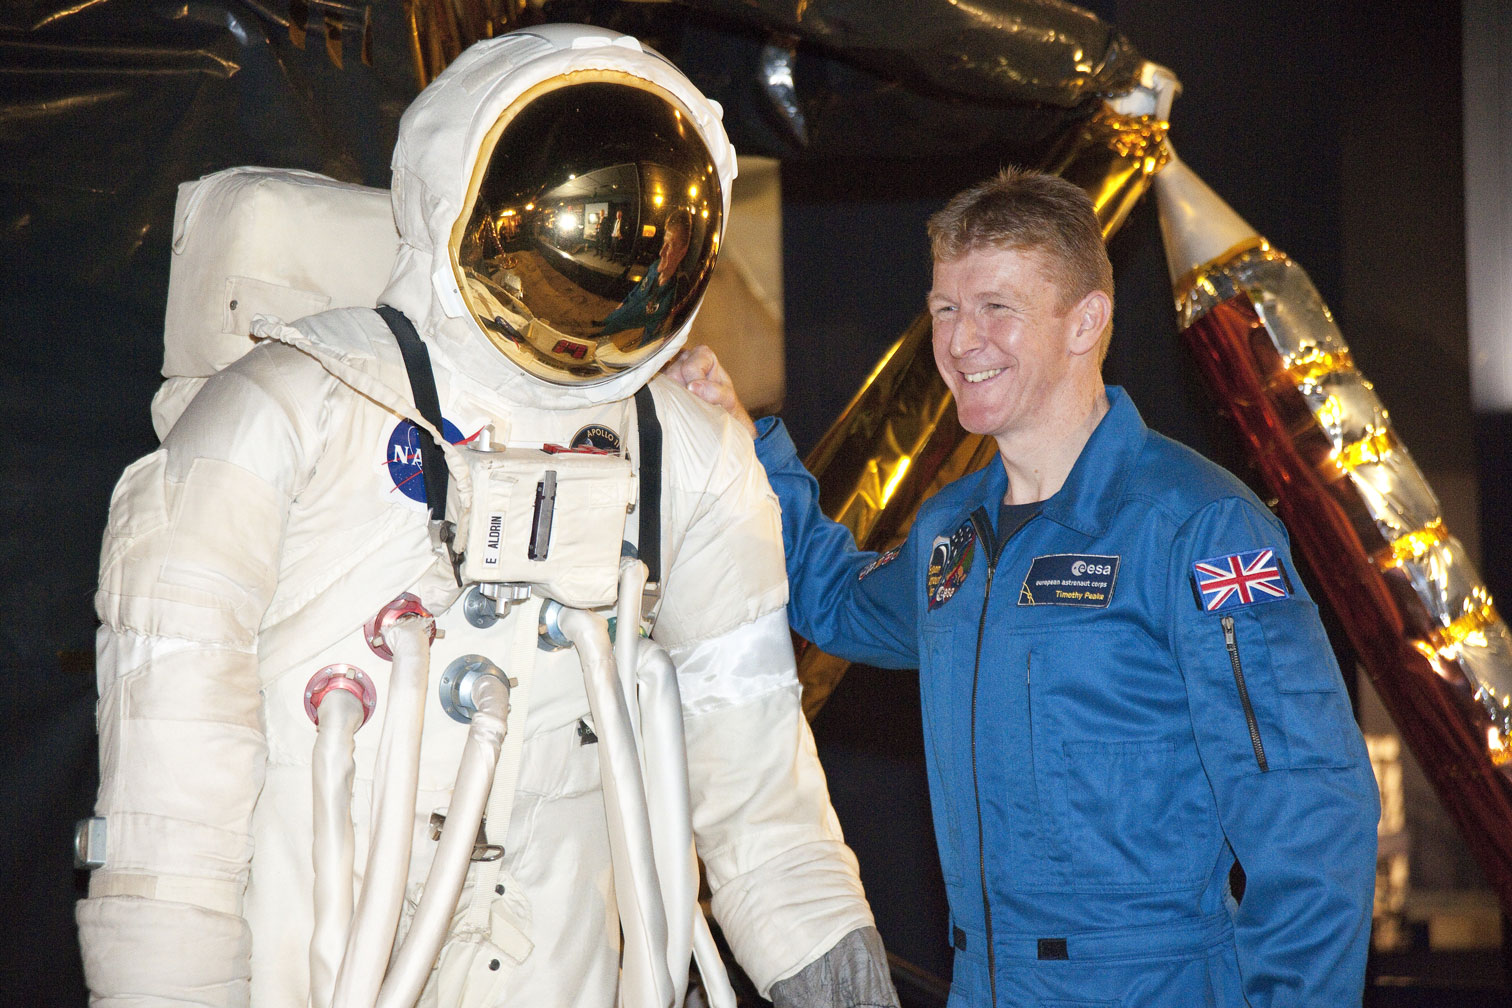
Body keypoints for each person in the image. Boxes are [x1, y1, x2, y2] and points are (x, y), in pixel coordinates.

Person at [78, 25, 896, 1008]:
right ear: (462, 186)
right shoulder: (293, 410)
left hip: (559, 966)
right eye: (580, 209)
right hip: (322, 961)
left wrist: (837, 972)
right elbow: (173, 799)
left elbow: (756, 768)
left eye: (643, 225)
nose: (606, 246)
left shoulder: (686, 456)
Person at [669, 168, 1380, 1007]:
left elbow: (1312, 823)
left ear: (1086, 321)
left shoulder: (1195, 528)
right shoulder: (952, 535)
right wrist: (747, 447)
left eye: (996, 308)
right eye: (944, 309)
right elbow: (835, 602)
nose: (962, 342)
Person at [600, 207, 692, 348]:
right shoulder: (655, 266)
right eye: (664, 243)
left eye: (671, 246)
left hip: (627, 337)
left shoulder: (675, 294)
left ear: (682, 252)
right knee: (601, 327)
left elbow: (652, 338)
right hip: (619, 315)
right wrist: (623, 303)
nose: (662, 252)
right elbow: (638, 287)